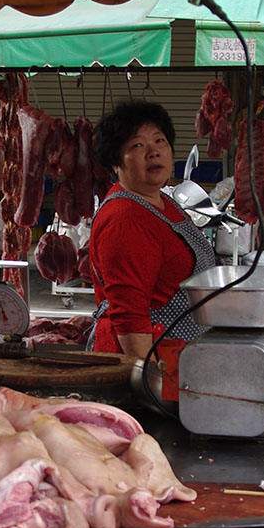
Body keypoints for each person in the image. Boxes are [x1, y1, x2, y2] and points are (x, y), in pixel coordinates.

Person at [87, 101, 217, 359]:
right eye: (137, 145)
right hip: (141, 365)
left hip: (178, 358)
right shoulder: (125, 217)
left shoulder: (162, 201)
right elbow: (130, 317)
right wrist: (151, 386)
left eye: (160, 141)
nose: (153, 152)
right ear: (115, 163)